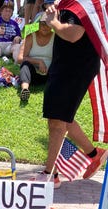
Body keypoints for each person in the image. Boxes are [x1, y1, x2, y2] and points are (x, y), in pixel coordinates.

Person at [33, 0, 107, 187]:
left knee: (57, 120)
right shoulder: (68, 2)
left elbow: (74, 34)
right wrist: (50, 10)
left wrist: (54, 22)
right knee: (61, 116)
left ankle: (51, 175)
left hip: (76, 67)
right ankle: (93, 154)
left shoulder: (84, 3)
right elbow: (50, 22)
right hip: (64, 64)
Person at [16, 11, 54, 102]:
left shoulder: (56, 37)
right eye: (42, 24)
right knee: (25, 64)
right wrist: (39, 61)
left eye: (48, 24)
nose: (45, 27)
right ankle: (25, 89)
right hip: (33, 75)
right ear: (38, 23)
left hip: (51, 74)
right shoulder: (30, 37)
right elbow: (20, 58)